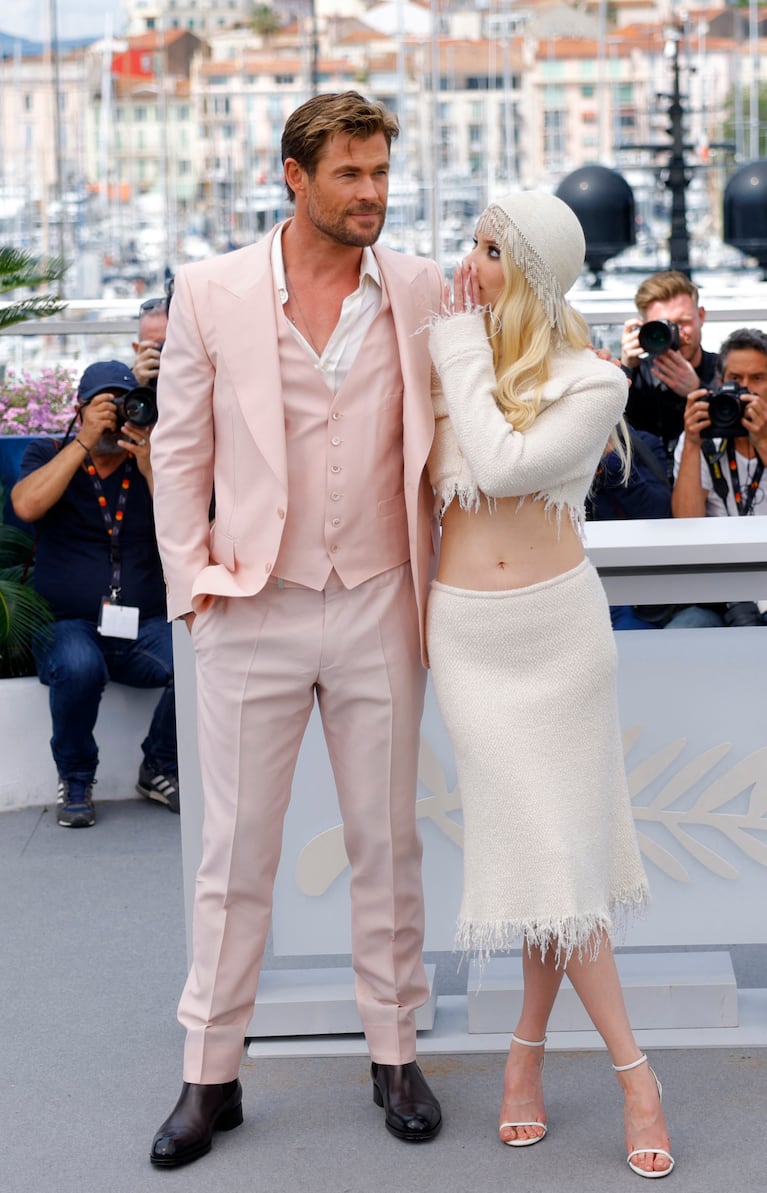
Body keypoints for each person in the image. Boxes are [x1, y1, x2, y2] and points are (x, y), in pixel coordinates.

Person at [147, 91, 444, 1167]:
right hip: (251, 604)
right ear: (295, 175)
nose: (371, 193)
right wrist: (195, 587)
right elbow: (175, 455)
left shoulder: (418, 288)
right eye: (351, 175)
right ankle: (208, 1074)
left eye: (379, 173)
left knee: (387, 843)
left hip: (378, 595)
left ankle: (395, 1050)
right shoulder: (211, 290)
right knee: (234, 856)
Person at [426, 192, 673, 1177]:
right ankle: (626, 1074)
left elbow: (500, 460)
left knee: (555, 863)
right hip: (470, 643)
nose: (470, 263)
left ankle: (566, 1064)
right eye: (473, 244)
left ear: (533, 270)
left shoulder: (590, 381)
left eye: (492, 250)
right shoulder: (449, 355)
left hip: (557, 640)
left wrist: (453, 350)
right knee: (550, 858)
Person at [10, 360, 179, 827]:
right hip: (68, 624)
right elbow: (26, 504)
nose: (114, 419)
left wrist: (150, 466)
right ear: (80, 409)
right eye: (103, 406)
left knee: (199, 661)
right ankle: (77, 778)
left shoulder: (152, 461)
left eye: (124, 406)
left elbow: (185, 529)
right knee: (79, 666)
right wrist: (83, 440)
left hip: (142, 625)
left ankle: (160, 765)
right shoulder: (49, 452)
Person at [671, 327, 767, 627]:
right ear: (720, 384)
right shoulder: (702, 437)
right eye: (736, 380)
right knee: (682, 632)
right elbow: (687, 525)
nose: (746, 389)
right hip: (719, 590)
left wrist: (762, 441)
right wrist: (692, 443)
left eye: (758, 379)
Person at [621, 270, 718, 471]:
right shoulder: (638, 373)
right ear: (645, 327)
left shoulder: (723, 369)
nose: (677, 334)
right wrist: (625, 371)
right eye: (664, 325)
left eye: (683, 322)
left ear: (701, 316)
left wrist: (698, 391)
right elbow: (613, 433)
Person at [587, 424, 675, 630]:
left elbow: (658, 512)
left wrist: (613, 460)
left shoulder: (641, 444)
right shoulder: (551, 455)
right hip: (583, 583)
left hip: (643, 587)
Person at [132, 295, 168, 388]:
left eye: (169, 345)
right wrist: (135, 385)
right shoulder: (129, 383)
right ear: (137, 349)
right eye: (157, 347)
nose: (164, 353)